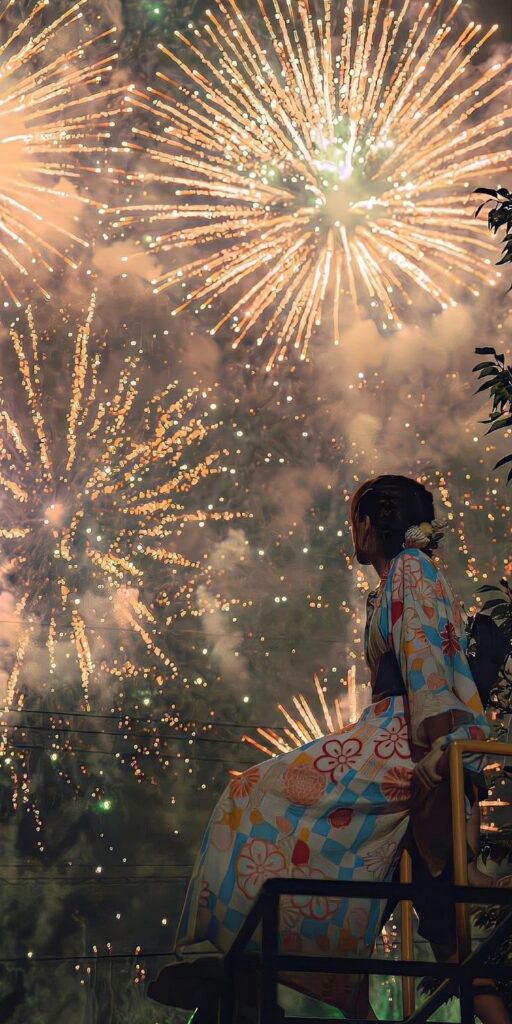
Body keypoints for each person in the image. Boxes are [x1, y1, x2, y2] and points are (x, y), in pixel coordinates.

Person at [149, 475, 510, 1023]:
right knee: (437, 926)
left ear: (371, 524)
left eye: (355, 522)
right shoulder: (398, 580)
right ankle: (328, 984)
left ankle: (214, 946)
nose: (353, 534)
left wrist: (438, 743)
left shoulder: (411, 571)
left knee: (249, 792)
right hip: (401, 731)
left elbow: (423, 660)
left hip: (401, 736)